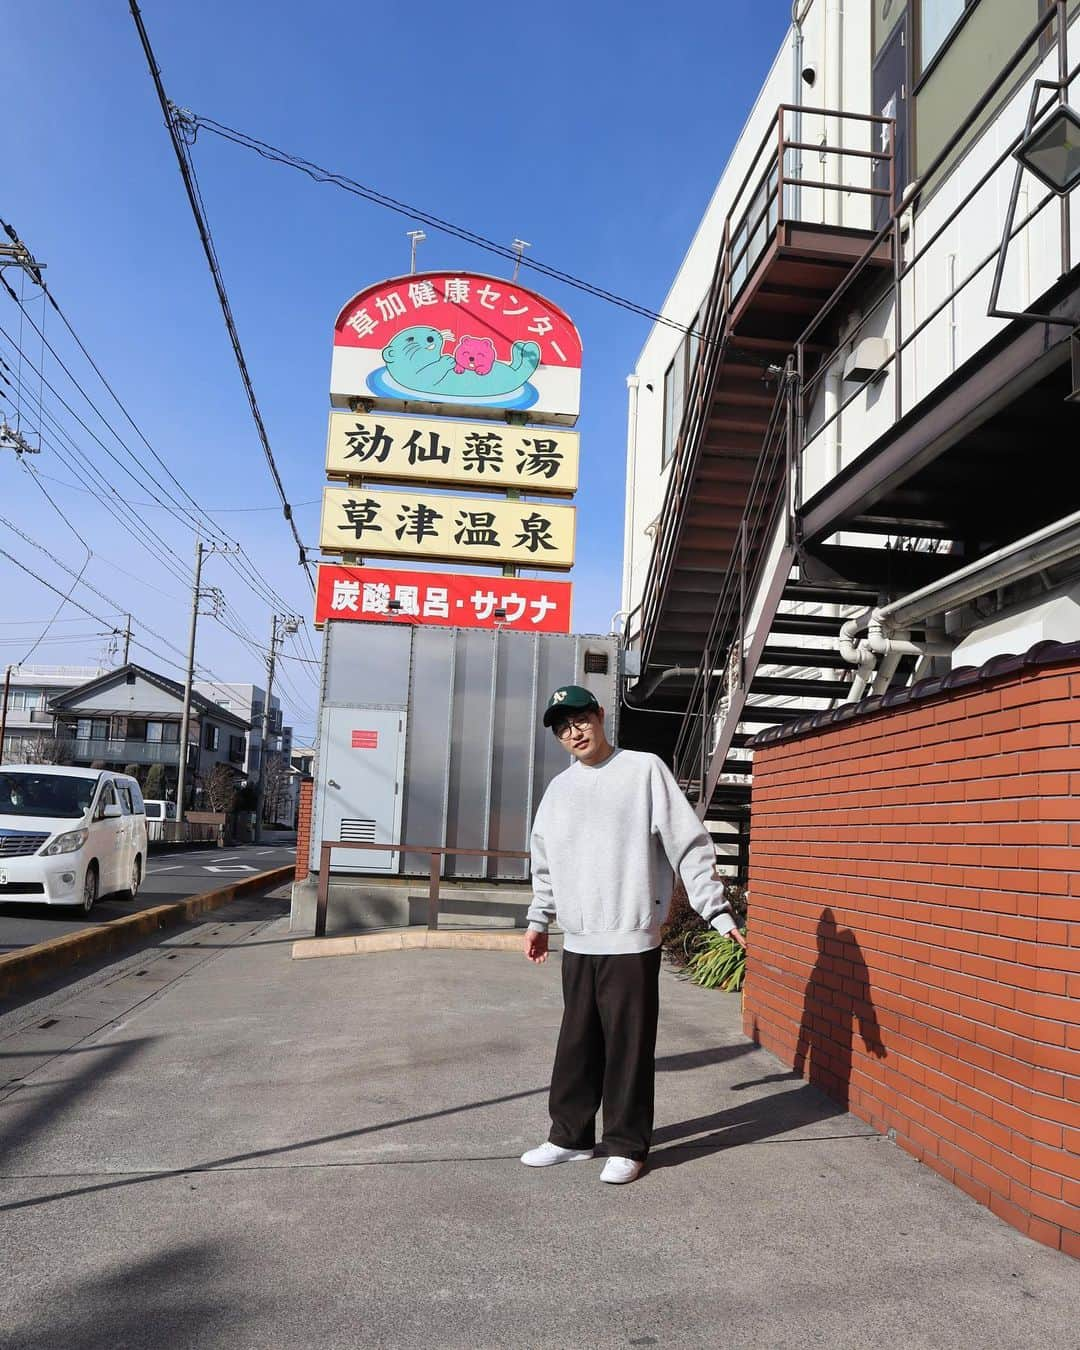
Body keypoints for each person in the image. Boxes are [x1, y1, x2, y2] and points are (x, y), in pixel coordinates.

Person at [520, 684, 748, 1184]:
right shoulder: (559, 790)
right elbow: (545, 864)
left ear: (600, 716)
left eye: (579, 719)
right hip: (578, 939)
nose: (573, 732)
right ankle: (569, 1137)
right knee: (576, 1044)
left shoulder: (643, 769)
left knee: (628, 1046)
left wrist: (717, 911)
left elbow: (687, 844)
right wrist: (540, 919)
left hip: (631, 936)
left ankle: (627, 1145)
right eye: (562, 728)